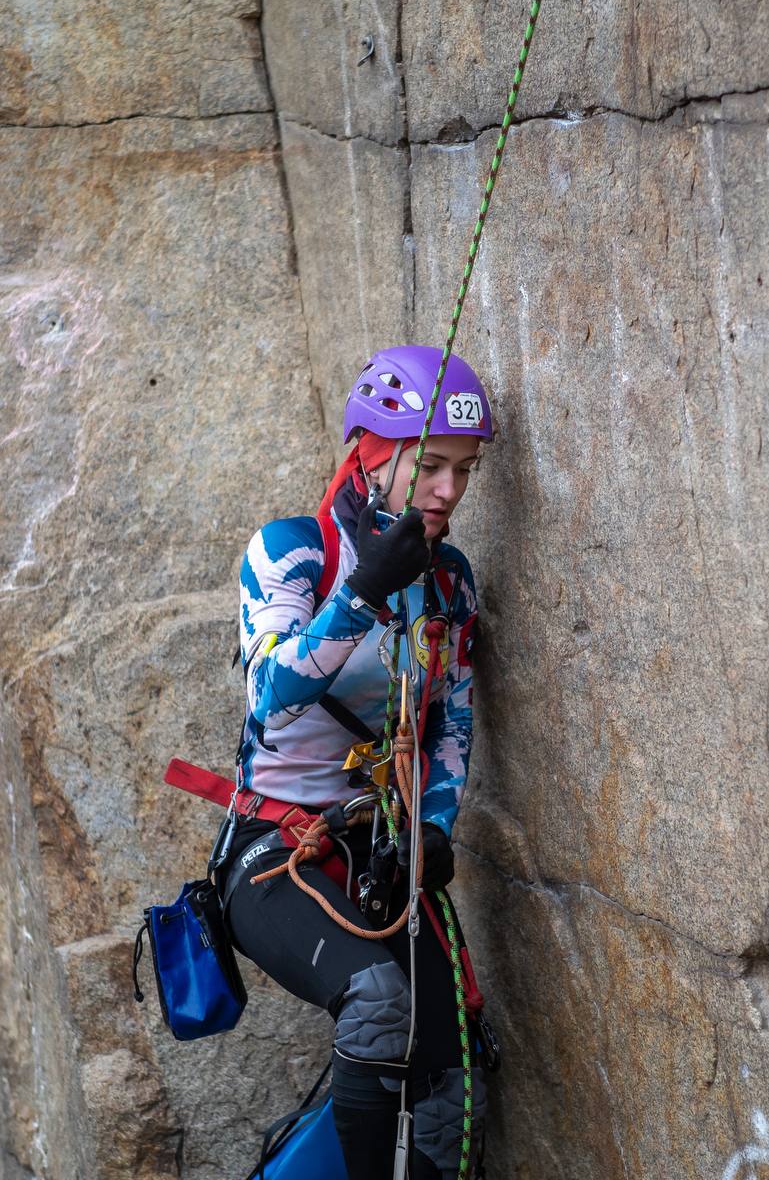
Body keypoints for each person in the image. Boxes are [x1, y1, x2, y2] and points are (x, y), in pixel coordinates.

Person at [217, 345, 494, 1180]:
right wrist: (363, 593)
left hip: (381, 849)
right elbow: (271, 693)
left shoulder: (450, 583)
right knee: (376, 1003)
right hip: (274, 851)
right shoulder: (292, 553)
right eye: (430, 466)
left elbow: (451, 719)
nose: (448, 490)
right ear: (373, 457)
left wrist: (435, 826)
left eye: (464, 470)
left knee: (454, 1075)